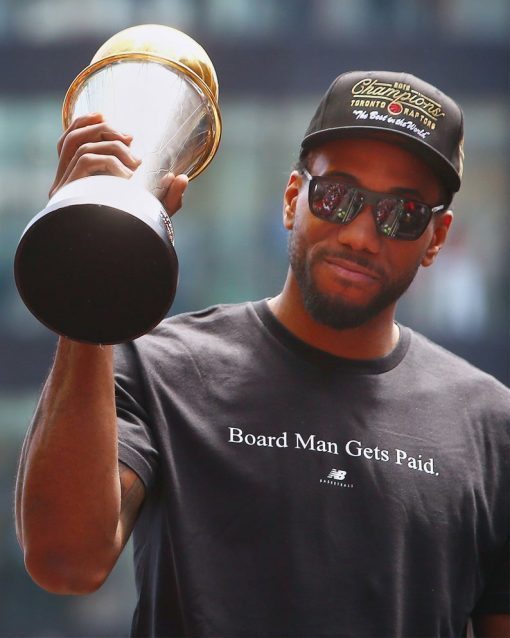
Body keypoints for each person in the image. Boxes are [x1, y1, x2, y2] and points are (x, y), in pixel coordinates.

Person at [15, 71, 509, 637]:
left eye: (402, 213)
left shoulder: (491, 428)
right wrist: (90, 256)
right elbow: (66, 561)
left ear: (437, 239)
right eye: (338, 196)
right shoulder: (160, 368)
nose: (361, 235)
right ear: (293, 198)